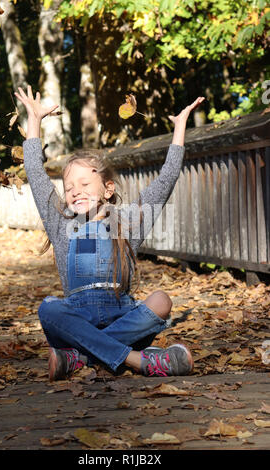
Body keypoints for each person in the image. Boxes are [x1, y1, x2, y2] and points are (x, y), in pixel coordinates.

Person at [15, 85, 205, 381]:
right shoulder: (61, 225)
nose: (75, 191)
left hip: (122, 316)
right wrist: (35, 120)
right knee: (49, 308)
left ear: (107, 189)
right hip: (76, 318)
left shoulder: (128, 222)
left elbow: (166, 180)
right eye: (69, 188)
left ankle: (80, 358)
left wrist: (180, 128)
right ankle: (138, 360)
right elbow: (37, 175)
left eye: (84, 184)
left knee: (162, 301)